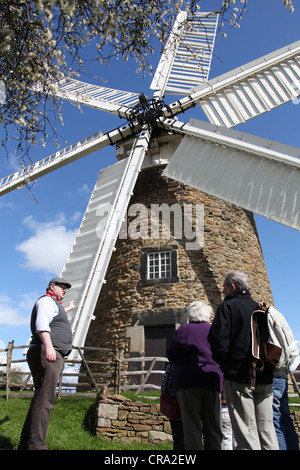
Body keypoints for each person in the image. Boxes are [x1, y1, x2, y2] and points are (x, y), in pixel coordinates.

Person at [208, 270, 279, 450]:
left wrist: (226, 366)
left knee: (246, 432)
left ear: (232, 287)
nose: (222, 291)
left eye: (224, 287)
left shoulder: (228, 307)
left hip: (239, 376)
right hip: (264, 377)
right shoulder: (260, 308)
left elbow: (218, 342)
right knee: (267, 430)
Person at [18, 277, 74, 450]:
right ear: (52, 286)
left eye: (66, 288)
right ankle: (36, 446)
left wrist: (69, 308)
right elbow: (42, 324)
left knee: (39, 399)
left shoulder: (53, 304)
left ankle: (26, 444)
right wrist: (49, 348)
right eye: (62, 287)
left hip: (48, 352)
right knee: (45, 401)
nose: (64, 290)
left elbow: (54, 316)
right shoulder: (46, 301)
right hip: (48, 353)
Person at [167, 301, 224, 450]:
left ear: (190, 315)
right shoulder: (214, 331)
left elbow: (171, 356)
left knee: (191, 427)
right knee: (213, 426)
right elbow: (222, 354)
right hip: (212, 381)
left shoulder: (183, 330)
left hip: (187, 383)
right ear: (208, 314)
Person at [259, 303, 299, 450]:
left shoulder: (267, 322)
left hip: (273, 373)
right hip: (282, 372)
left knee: (273, 419)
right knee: (285, 416)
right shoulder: (278, 317)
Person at [161, 363, 185, 450]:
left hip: (176, 405)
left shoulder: (174, 365)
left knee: (179, 439)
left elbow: (165, 386)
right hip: (192, 406)